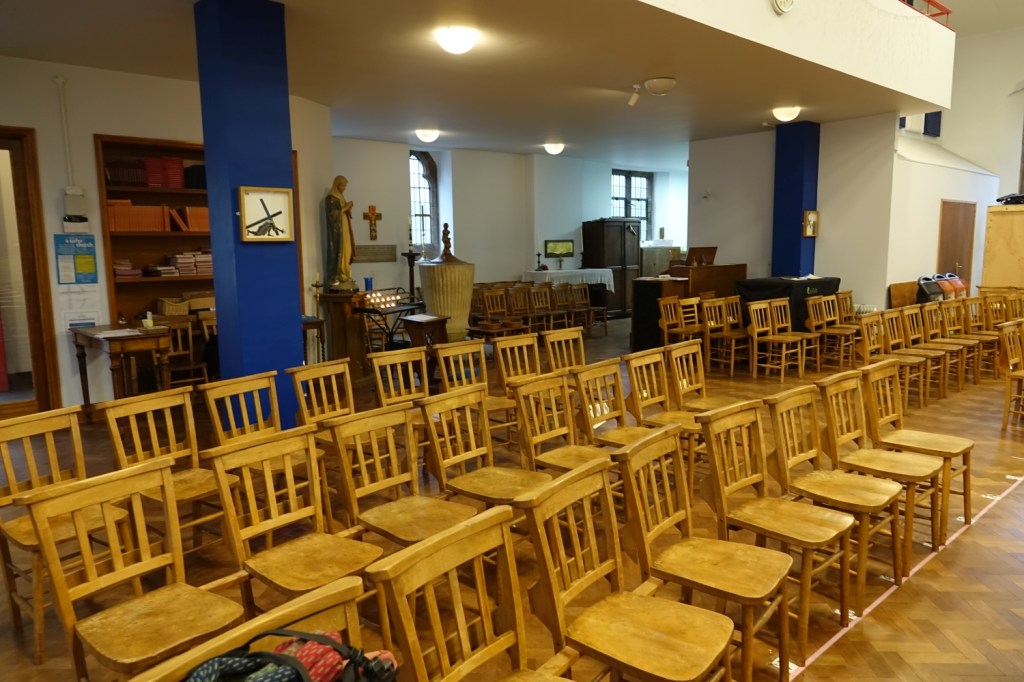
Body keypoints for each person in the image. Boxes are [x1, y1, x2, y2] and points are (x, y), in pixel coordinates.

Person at [326, 175, 355, 289]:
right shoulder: (331, 198)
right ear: (337, 185)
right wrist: (346, 207)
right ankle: (338, 274)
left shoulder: (341, 197)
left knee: (348, 250)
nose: (344, 188)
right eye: (343, 186)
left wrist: (349, 208)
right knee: (341, 250)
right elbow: (332, 215)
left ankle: (345, 273)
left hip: (345, 227)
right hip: (338, 231)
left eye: (345, 186)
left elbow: (344, 211)